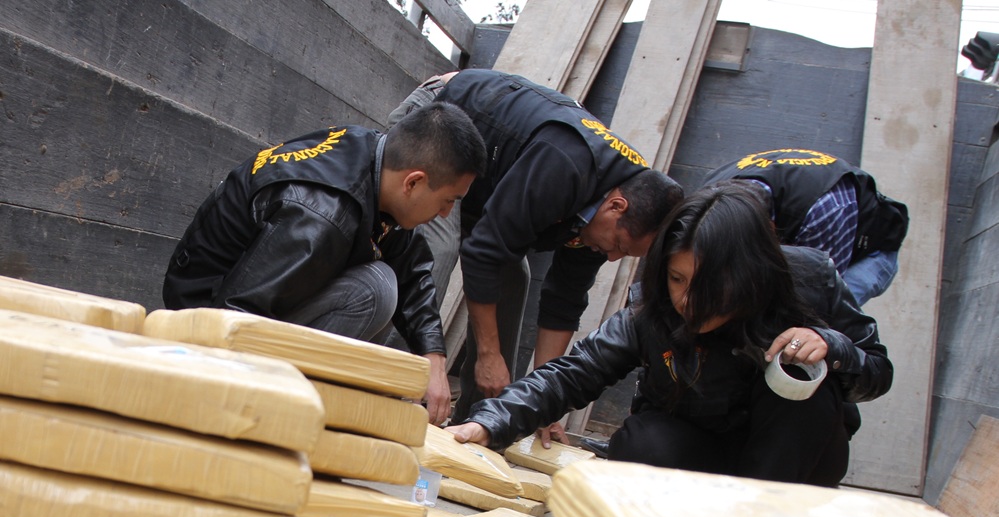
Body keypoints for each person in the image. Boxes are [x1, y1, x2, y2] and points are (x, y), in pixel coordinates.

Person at [448, 182, 893, 488]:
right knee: (641, 441)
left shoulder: (809, 280)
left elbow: (877, 370)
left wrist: (833, 348)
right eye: (678, 280)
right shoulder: (653, 305)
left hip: (789, 466)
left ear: (748, 274)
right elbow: (574, 372)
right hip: (700, 449)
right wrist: (490, 422)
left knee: (805, 386)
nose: (689, 301)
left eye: (709, 284)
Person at [161, 103, 487, 425]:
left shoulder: (375, 160)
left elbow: (412, 270)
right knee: (375, 289)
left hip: (245, 298)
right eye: (448, 201)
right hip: (206, 323)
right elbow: (234, 315)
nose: (445, 214)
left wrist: (433, 359)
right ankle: (278, 410)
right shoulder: (322, 214)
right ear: (413, 182)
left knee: (390, 284)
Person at [387, 69, 684, 421]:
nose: (613, 256)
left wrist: (546, 401)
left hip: (485, 183)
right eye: (618, 245)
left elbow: (563, 301)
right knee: (438, 249)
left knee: (514, 276)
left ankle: (480, 421)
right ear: (615, 207)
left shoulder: (610, 208)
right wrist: (488, 355)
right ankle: (388, 391)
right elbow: (483, 253)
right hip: (440, 122)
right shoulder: (567, 165)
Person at [702, 148, 909, 307]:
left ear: (770, 227)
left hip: (869, 252)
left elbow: (816, 291)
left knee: (818, 319)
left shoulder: (824, 212)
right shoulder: (708, 197)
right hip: (805, 214)